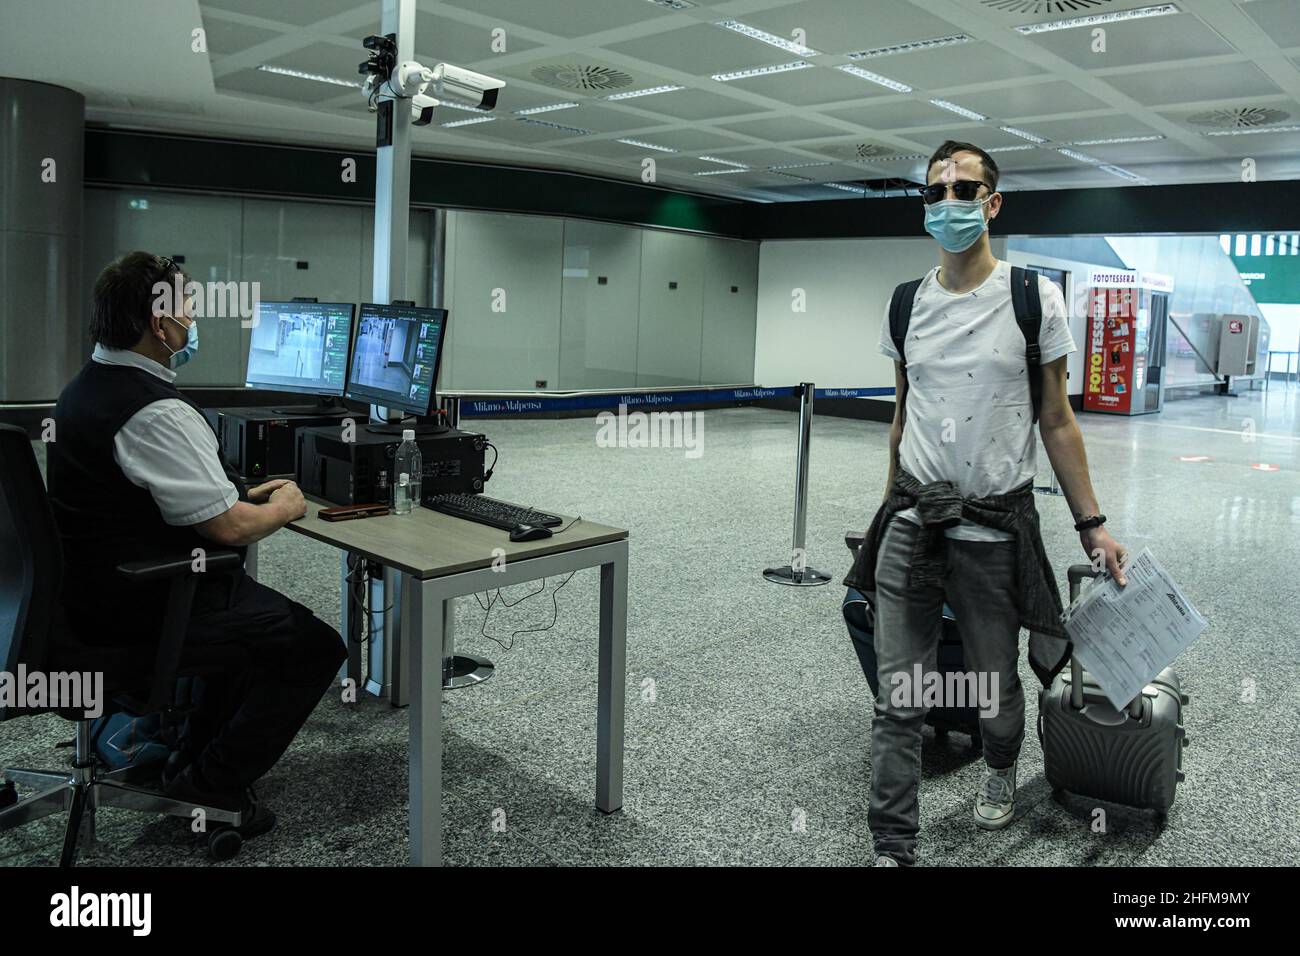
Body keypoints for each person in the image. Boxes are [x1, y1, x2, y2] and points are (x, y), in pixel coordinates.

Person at [844, 142, 1129, 867]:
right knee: (898, 698)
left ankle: (1001, 760)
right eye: (936, 192)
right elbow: (905, 417)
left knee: (995, 688)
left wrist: (1091, 525)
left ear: (991, 203)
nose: (948, 203)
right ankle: (894, 846)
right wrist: (884, 516)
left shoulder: (1033, 298)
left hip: (994, 527)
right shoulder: (906, 303)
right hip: (913, 520)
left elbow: (1057, 419)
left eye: (964, 190)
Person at [45, 251, 346, 839]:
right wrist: (283, 505)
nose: (193, 320)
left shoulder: (85, 389)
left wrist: (229, 493)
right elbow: (230, 531)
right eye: (188, 309)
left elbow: (144, 490)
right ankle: (210, 785)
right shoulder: (156, 410)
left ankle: (192, 759)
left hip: (89, 593)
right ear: (160, 326)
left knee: (257, 625)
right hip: (146, 605)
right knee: (311, 645)